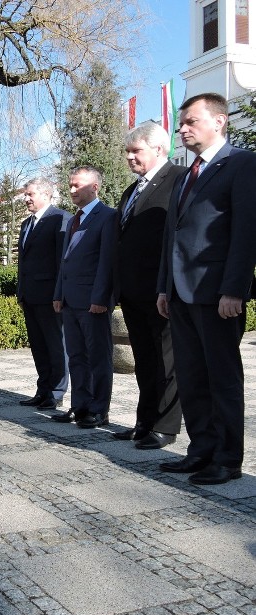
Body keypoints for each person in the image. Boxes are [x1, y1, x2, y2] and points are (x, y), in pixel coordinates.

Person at [157, 92, 256, 485]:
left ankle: (227, 458)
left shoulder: (243, 164)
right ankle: (199, 451)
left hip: (217, 295)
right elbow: (173, 236)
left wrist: (235, 289)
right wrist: (165, 288)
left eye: (190, 121)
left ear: (219, 121)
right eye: (181, 123)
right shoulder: (186, 174)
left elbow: (245, 231)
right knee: (192, 376)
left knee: (221, 378)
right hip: (180, 294)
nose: (182, 129)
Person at [112, 123, 186, 449]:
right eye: (127, 152)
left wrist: (167, 286)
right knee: (144, 358)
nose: (130, 157)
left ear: (158, 149)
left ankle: (166, 428)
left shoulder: (179, 180)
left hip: (162, 290)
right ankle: (144, 422)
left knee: (167, 360)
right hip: (132, 291)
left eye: (136, 151)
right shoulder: (131, 191)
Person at [51, 166, 118, 428]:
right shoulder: (74, 220)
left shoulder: (107, 217)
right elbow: (65, 262)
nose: (71, 191)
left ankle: (99, 409)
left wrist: (101, 298)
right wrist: (59, 293)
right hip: (70, 300)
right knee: (77, 356)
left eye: (77, 185)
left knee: (99, 358)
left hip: (93, 303)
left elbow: (107, 262)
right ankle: (80, 406)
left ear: (94, 187)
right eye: (70, 185)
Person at [16, 177, 71, 410]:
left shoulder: (60, 219)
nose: (26, 198)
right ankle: (43, 389)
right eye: (25, 194)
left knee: (56, 346)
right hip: (30, 295)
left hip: (50, 296)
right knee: (39, 346)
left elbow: (62, 261)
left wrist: (59, 294)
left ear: (46, 194)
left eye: (30, 194)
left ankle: (56, 392)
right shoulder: (26, 224)